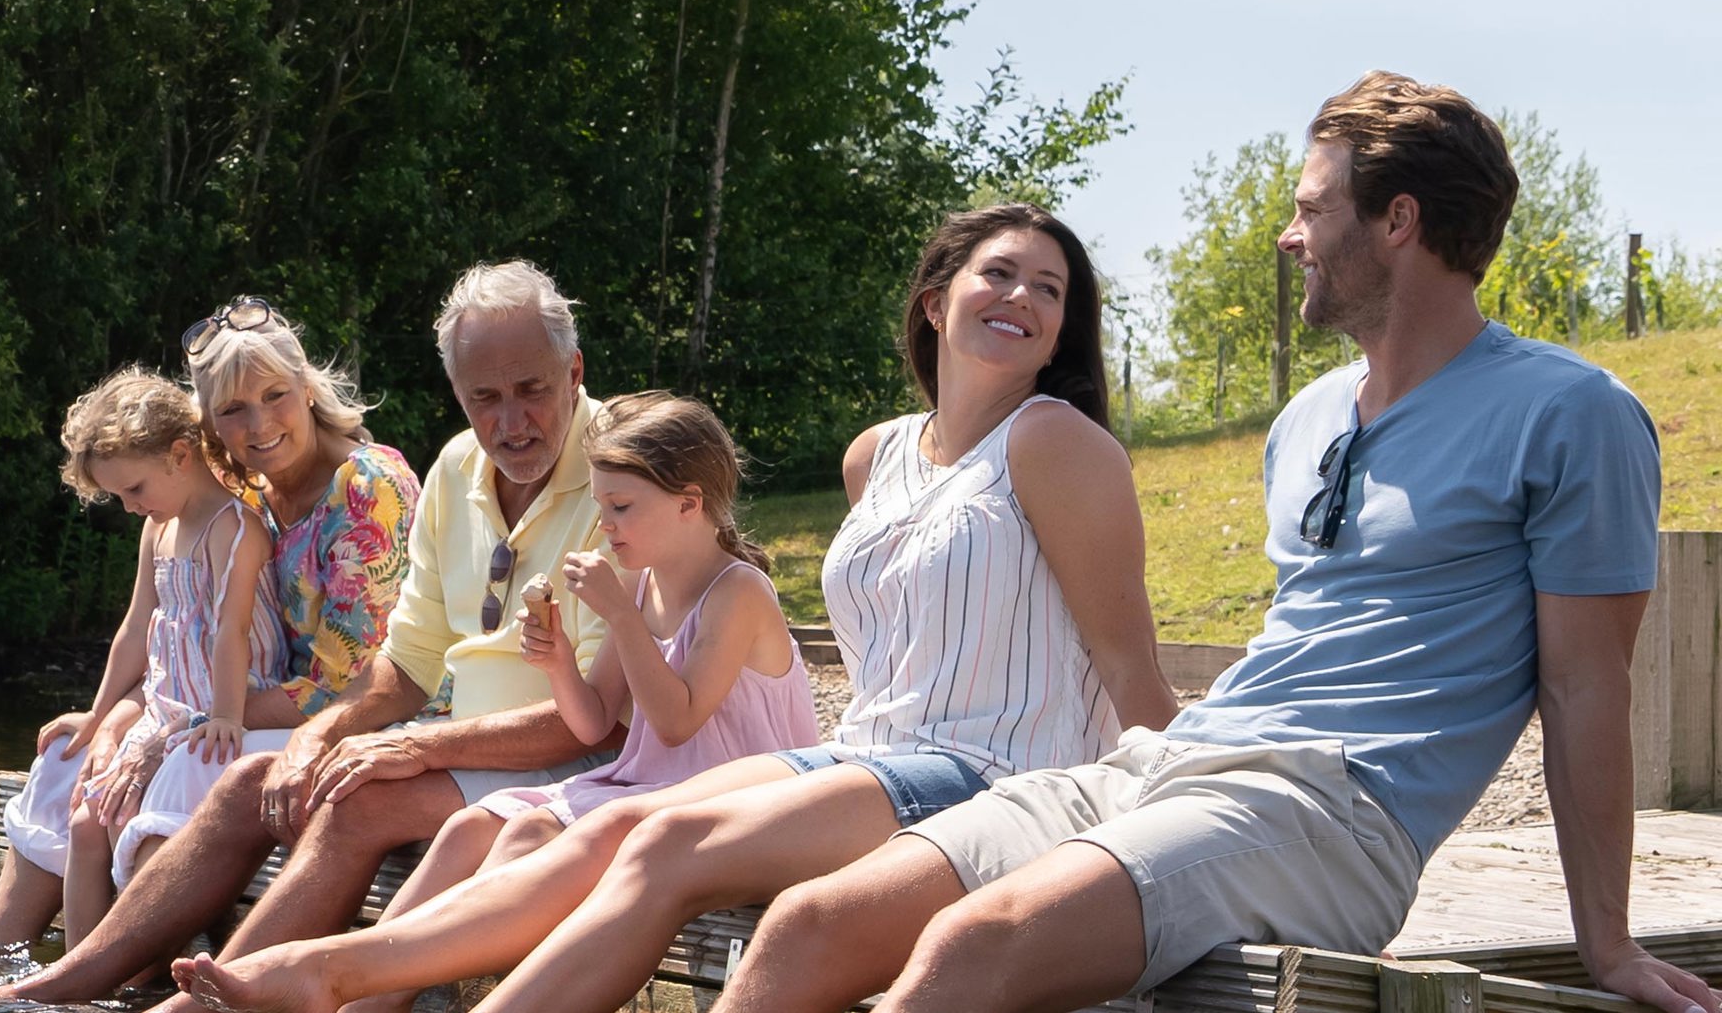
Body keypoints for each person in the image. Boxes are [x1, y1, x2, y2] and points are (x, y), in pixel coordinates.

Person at [699, 73, 1722, 1013]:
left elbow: (1587, 686)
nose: (1289, 235)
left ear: (1398, 220)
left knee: (975, 944)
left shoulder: (1570, 412)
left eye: (1312, 207)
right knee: (812, 923)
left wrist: (1608, 942)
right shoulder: (1307, 419)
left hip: (1334, 811)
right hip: (1168, 764)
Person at [166, 203, 1179, 1013]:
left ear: (1059, 329)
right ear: (933, 300)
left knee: (664, 847)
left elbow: (1129, 669)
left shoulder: (1055, 441)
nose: (1022, 295)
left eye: (1048, 288)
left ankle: (333, 975)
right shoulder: (876, 454)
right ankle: (336, 971)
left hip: (995, 774)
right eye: (997, 272)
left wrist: (1166, 831)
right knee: (622, 829)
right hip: (872, 753)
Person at [0, 259, 622, 1006]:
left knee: (336, 795)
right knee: (245, 776)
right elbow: (405, 662)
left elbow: (595, 718)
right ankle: (46, 985)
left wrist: (394, 743)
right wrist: (313, 734)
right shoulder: (454, 467)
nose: (509, 421)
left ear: (573, 370)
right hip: (454, 742)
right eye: (482, 397)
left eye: (531, 390)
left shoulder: (619, 477)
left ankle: (180, 1001)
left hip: (564, 762)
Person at [179, 391, 815, 1008]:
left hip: (731, 795)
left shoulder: (738, 593)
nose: (606, 527)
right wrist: (559, 661)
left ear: (689, 504)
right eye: (600, 507)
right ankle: (363, 996)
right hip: (646, 782)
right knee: (468, 829)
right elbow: (594, 718)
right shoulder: (643, 581)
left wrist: (620, 617)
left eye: (620, 507)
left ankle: (358, 986)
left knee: (533, 833)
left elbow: (677, 722)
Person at [0, 301, 422, 951]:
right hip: (232, 704)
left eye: (275, 395)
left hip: (355, 714)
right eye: (233, 409)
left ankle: (127, 978)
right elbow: (175, 629)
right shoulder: (245, 489)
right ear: (207, 422)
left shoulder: (369, 490)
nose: (259, 423)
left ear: (308, 389)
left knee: (182, 764)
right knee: (71, 761)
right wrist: (121, 713)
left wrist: (169, 723)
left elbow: (350, 683)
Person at [0, 367, 285, 951]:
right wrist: (98, 717)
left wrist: (223, 715)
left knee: (126, 817)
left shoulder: (234, 528)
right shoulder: (159, 530)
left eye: (134, 490)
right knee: (87, 819)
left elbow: (231, 634)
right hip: (168, 707)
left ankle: (123, 968)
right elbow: (137, 627)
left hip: (219, 708)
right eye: (118, 496)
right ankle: (78, 972)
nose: (128, 507)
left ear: (179, 455)